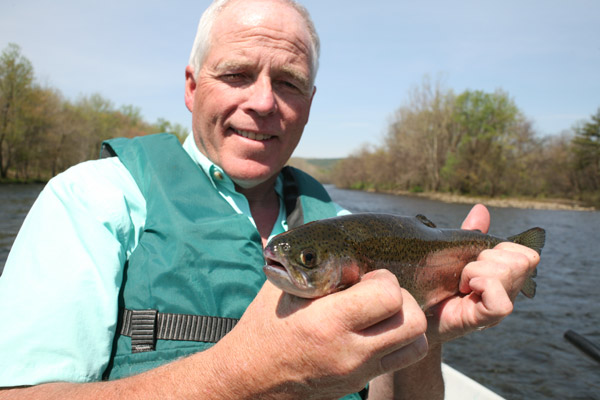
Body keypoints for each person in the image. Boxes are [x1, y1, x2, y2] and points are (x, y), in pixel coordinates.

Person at [0, 0, 540, 399]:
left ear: (309, 102)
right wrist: (241, 376)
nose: (263, 102)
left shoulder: (344, 225)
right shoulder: (93, 199)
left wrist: (429, 325)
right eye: (236, 74)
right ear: (192, 87)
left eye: (289, 82)